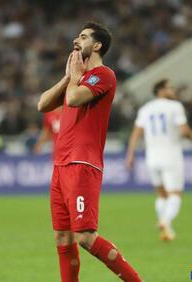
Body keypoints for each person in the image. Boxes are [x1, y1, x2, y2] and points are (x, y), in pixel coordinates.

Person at [37, 22, 142, 282]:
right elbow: (42, 104)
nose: (76, 39)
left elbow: (73, 99)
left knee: (84, 237)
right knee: (62, 237)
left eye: (83, 37)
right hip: (61, 166)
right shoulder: (76, 78)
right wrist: (68, 77)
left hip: (83, 164)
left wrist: (74, 78)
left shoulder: (104, 75)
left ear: (96, 45)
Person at [126, 79, 192, 241]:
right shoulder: (175, 107)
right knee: (175, 194)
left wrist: (130, 154)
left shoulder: (145, 109)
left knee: (161, 195)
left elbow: (136, 133)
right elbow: (184, 130)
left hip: (151, 157)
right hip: (171, 155)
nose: (173, 90)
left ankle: (167, 230)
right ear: (160, 90)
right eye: (169, 88)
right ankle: (165, 221)